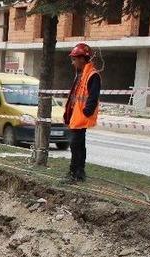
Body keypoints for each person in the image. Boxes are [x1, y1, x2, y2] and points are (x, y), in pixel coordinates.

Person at [62, 43, 101, 183]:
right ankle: (78, 172)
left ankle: (75, 172)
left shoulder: (92, 75)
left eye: (74, 59)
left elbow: (93, 97)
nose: (73, 63)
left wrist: (86, 112)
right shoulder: (81, 75)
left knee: (76, 145)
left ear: (82, 59)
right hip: (76, 116)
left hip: (81, 117)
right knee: (77, 145)